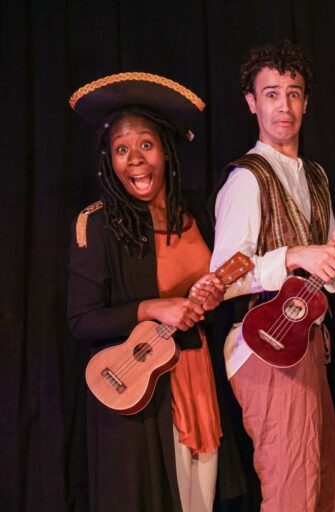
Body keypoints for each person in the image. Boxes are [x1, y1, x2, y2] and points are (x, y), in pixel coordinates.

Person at [209, 40, 335, 511]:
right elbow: (223, 279)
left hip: (308, 344)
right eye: (272, 93)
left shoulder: (314, 175)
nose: (284, 105)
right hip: (265, 346)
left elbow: (330, 271)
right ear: (252, 103)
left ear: (306, 102)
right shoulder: (246, 178)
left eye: (293, 93)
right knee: (292, 488)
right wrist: (297, 254)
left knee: (328, 486)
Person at [67, 73, 229, 512]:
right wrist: (153, 309)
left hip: (195, 375)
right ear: (108, 161)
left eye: (145, 145)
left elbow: (203, 304)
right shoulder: (98, 225)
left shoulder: (197, 213)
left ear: (167, 153)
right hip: (139, 390)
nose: (134, 160)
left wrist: (207, 304)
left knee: (200, 499)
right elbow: (82, 321)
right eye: (121, 149)